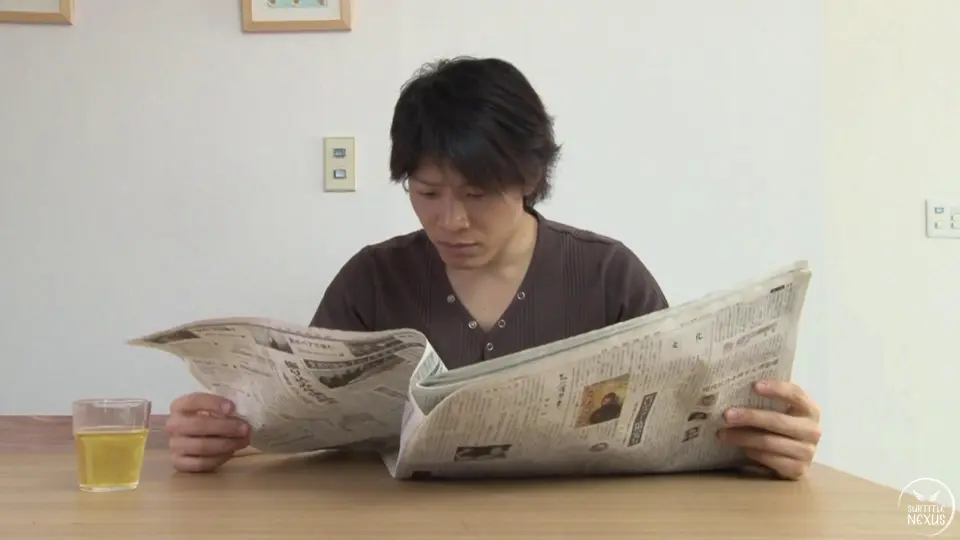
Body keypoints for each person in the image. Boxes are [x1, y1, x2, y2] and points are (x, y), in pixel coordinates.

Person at [164, 56, 822, 479]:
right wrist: (221, 433)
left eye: (477, 195)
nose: (450, 220)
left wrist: (769, 449)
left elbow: (677, 430)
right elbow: (302, 427)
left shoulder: (607, 276)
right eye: (427, 192)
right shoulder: (373, 279)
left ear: (529, 179)